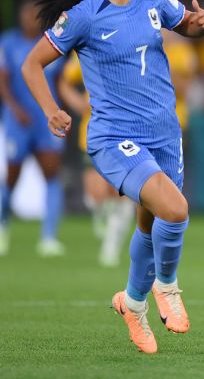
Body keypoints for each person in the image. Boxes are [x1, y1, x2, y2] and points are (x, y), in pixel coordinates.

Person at [22, 0, 204, 354]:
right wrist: (51, 109)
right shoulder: (84, 17)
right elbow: (32, 64)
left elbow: (184, 22)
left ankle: (132, 303)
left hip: (165, 133)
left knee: (150, 224)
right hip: (115, 138)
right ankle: (167, 287)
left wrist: (201, 23)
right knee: (175, 210)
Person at [0, 0, 68, 258]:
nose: (31, 19)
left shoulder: (52, 43)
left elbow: (61, 81)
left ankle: (49, 237)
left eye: (35, 15)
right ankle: (1, 224)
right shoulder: (7, 43)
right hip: (18, 121)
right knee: (12, 175)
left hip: (47, 121)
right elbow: (1, 82)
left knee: (52, 173)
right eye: (27, 14)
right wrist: (15, 109)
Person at [58, 52, 136, 267]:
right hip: (94, 133)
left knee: (118, 192)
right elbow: (64, 81)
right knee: (96, 196)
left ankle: (111, 246)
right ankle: (104, 216)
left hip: (125, 131)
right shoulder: (86, 50)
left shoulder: (132, 50)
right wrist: (78, 104)